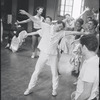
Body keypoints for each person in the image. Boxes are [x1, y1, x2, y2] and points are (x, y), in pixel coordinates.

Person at [71, 34, 99, 100]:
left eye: (79, 46)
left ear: (84, 48)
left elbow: (86, 94)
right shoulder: (95, 59)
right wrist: (77, 93)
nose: (78, 48)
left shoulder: (90, 66)